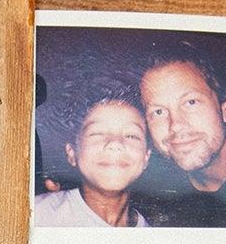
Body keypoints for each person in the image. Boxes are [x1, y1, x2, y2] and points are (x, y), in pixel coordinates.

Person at [137, 48, 226, 227]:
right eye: (159, 112)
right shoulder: (156, 204)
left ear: (224, 110)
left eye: (191, 102)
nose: (175, 124)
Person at [34, 86, 150, 228]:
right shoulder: (36, 215)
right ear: (72, 153)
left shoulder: (156, 239)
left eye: (131, 135)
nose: (115, 143)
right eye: (97, 133)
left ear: (146, 157)